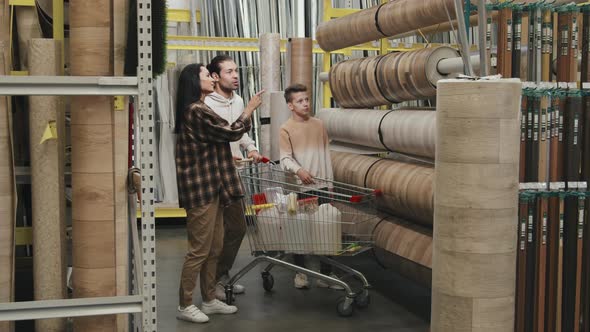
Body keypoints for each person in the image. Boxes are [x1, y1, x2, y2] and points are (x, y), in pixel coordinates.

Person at [174, 63, 264, 323]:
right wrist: (249, 109)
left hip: (214, 185)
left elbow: (214, 144)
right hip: (201, 189)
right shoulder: (196, 111)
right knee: (199, 250)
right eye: (206, 75)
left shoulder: (201, 109)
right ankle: (185, 304)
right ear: (194, 81)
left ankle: (209, 299)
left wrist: (227, 158)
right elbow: (231, 132)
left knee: (214, 247)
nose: (212, 79)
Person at [204, 55, 261, 300]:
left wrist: (251, 148)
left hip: (233, 175)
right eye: (229, 72)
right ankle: (212, 283)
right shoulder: (205, 103)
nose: (235, 75)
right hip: (214, 176)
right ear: (215, 77)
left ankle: (221, 274)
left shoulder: (237, 100)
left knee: (237, 228)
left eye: (236, 71)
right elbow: (221, 136)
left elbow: (241, 132)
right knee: (215, 235)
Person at [278, 83, 343, 290]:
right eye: (300, 101)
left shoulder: (319, 125)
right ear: (290, 105)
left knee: (326, 229)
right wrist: (299, 171)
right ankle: (301, 273)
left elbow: (326, 155)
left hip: (323, 186)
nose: (305, 104)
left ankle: (327, 274)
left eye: (307, 99)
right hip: (302, 189)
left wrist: (330, 184)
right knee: (301, 231)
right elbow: (285, 158)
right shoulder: (285, 128)